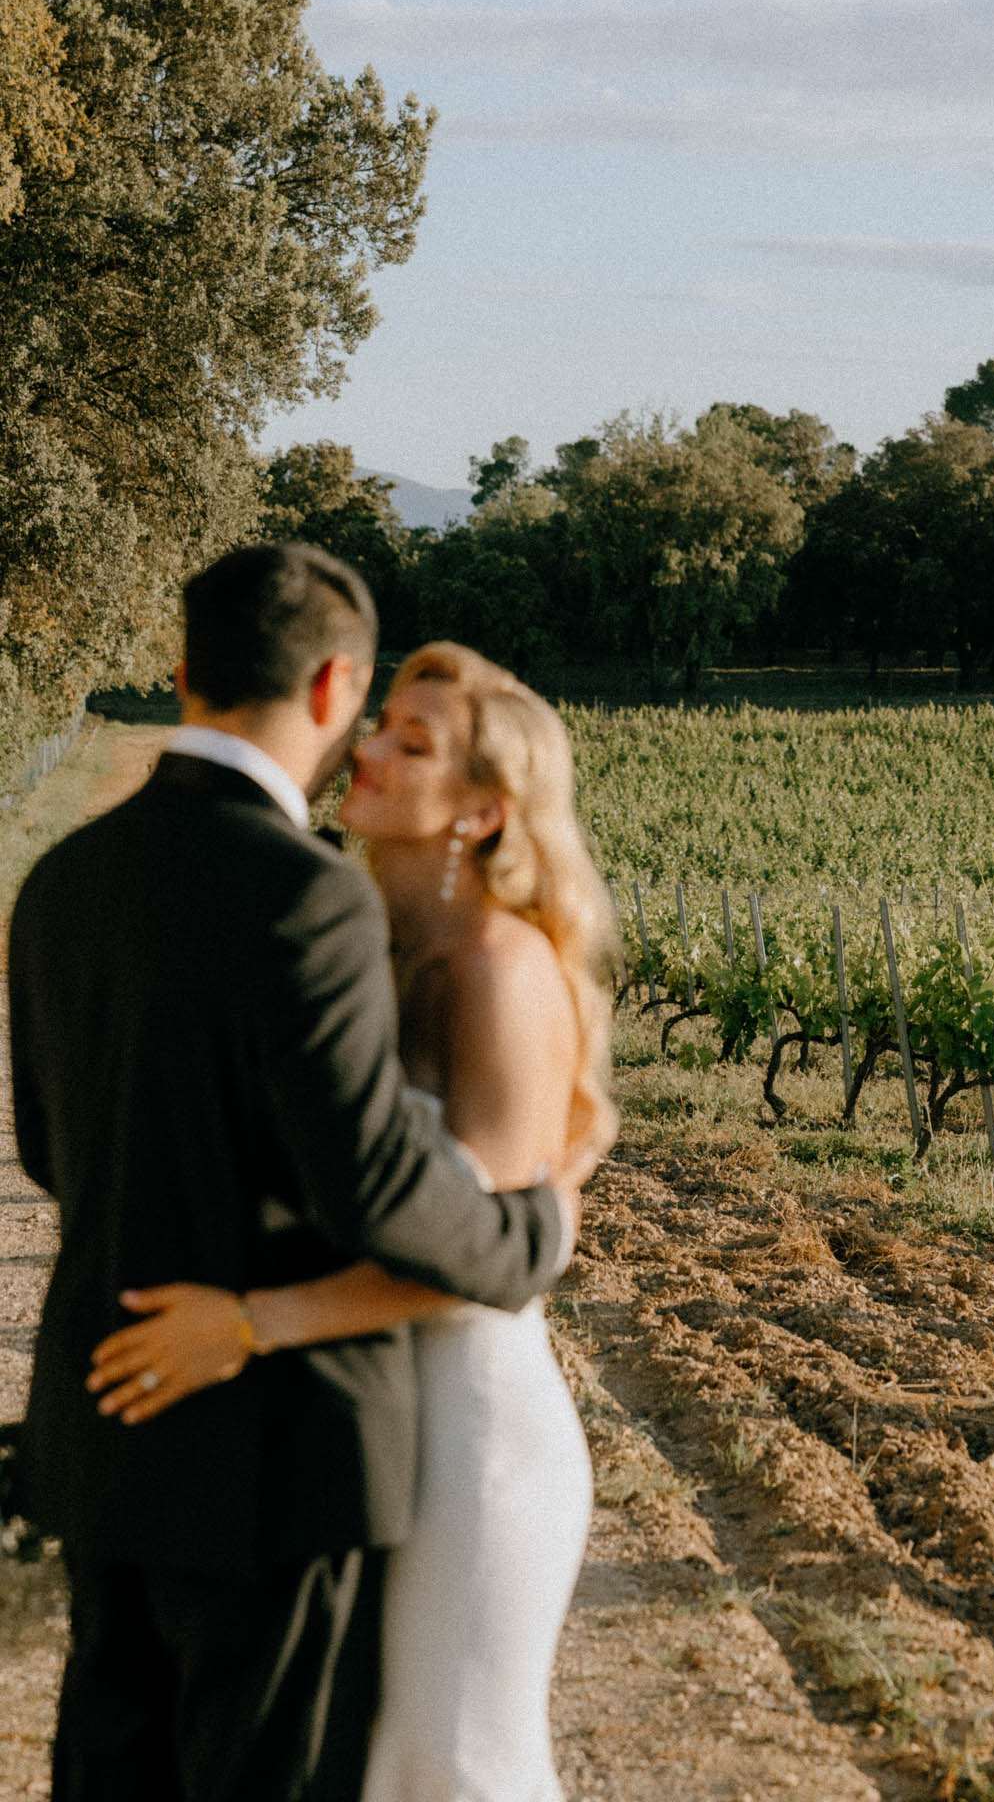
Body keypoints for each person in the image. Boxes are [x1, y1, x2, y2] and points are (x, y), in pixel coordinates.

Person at [9, 548, 580, 1802]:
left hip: (116, 1435)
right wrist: (531, 1237)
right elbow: (375, 1190)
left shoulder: (58, 882)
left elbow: (54, 1151)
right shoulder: (309, 896)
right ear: (335, 681)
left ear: (180, 672)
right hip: (280, 1460)